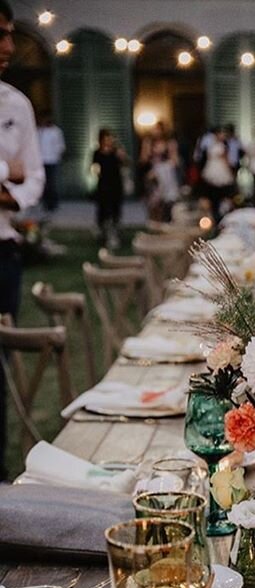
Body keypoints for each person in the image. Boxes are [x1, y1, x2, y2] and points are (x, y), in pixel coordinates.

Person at [0, 0, 45, 479]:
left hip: (4, 250)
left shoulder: (16, 105)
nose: (9, 46)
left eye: (11, 33)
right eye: (0, 34)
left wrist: (10, 189)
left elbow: (32, 182)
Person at [91, 128, 126, 249]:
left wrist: (122, 156)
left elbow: (125, 164)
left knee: (115, 208)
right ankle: (103, 232)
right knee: (103, 208)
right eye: (106, 137)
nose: (109, 140)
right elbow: (94, 166)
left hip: (115, 184)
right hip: (103, 184)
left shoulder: (116, 152)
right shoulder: (97, 153)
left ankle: (115, 232)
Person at [201, 127, 234, 222]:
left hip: (220, 171)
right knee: (214, 194)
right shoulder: (212, 145)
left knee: (222, 194)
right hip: (214, 171)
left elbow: (225, 159)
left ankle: (221, 214)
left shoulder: (222, 146)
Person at [37, 113, 65, 215]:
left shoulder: (56, 131)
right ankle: (45, 203)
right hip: (41, 160)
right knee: (44, 183)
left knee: (52, 183)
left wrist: (58, 156)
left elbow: (60, 146)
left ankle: (53, 203)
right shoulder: (39, 131)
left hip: (53, 160)